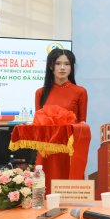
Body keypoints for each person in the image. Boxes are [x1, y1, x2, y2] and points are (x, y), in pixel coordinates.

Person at [34, 49, 87, 193]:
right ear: (51, 66)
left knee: (71, 190)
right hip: (47, 149)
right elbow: (38, 123)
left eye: (67, 64)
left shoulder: (80, 92)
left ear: (72, 67)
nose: (62, 68)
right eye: (58, 64)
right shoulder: (40, 93)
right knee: (45, 189)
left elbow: (82, 123)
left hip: (69, 149)